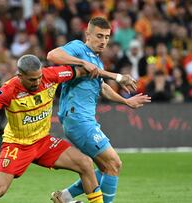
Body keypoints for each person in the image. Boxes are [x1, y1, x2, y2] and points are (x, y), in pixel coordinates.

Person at [0, 54, 105, 203]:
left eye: (39, 77)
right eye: (33, 79)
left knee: (85, 163)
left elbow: (79, 71)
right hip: (17, 145)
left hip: (43, 142)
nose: (38, 82)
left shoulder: (51, 75)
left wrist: (102, 72)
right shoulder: (9, 89)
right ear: (20, 75)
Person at [47, 17, 151, 203]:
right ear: (88, 35)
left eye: (107, 37)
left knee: (106, 167)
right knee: (113, 163)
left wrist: (126, 102)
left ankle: (64, 197)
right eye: (99, 36)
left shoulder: (97, 62)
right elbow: (52, 55)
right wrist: (81, 62)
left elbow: (102, 88)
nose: (103, 41)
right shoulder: (79, 48)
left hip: (84, 119)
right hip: (77, 119)